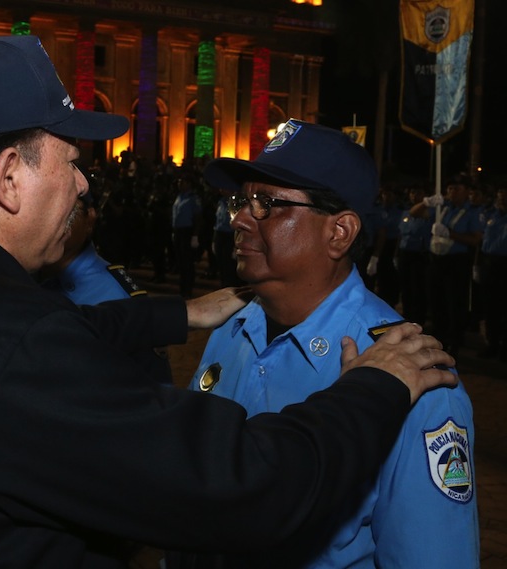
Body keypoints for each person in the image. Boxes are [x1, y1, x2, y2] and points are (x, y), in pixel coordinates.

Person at [0, 35, 456, 569]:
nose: (82, 184)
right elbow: (241, 487)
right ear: (9, 175)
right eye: (72, 162)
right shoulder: (396, 365)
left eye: (267, 203)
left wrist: (176, 313)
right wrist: (375, 387)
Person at [170, 119, 477, 568]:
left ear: (339, 233)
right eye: (241, 201)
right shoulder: (231, 327)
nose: (239, 219)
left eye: (266, 204)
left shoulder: (411, 373)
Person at [39, 191, 172, 383]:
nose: (52, 217)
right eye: (42, 205)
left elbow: (154, 385)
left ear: (90, 218)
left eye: (68, 208)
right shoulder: (25, 276)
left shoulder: (117, 295)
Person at [410, 174, 483, 356]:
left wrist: (451, 234)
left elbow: (475, 240)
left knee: (455, 303)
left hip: (456, 262)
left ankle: (455, 342)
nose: (452, 192)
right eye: (450, 189)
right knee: (436, 301)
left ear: (467, 191)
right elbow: (414, 213)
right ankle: (439, 339)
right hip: (436, 260)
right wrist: (426, 202)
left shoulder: (473, 212)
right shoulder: (442, 208)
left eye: (457, 189)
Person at [478, 185, 507, 360]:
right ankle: (492, 343)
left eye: (505, 197)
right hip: (489, 263)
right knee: (491, 307)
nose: (502, 200)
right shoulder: (491, 215)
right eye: (500, 197)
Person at [397, 183, 431, 326]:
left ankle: (418, 321)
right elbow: (401, 234)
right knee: (406, 289)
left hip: (419, 254)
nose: (414, 196)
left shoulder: (429, 212)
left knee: (418, 290)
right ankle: (407, 317)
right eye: (412, 193)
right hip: (405, 252)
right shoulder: (406, 211)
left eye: (418, 193)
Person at [171, 171, 202, 297]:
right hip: (178, 231)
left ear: (189, 184)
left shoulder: (193, 198)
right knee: (180, 260)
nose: (180, 184)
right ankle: (182, 286)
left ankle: (188, 288)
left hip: (187, 231)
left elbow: (198, 218)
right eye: (179, 182)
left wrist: (195, 236)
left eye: (182, 182)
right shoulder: (179, 196)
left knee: (187, 261)